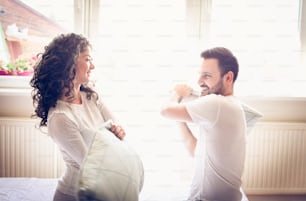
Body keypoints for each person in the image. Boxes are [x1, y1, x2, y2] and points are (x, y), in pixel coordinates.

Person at [30, 33, 126, 201]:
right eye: (87, 59)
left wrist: (118, 130)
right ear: (69, 64)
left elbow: (116, 127)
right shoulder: (61, 117)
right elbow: (91, 167)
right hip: (75, 195)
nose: (93, 66)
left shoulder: (91, 98)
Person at [161, 47, 246, 201]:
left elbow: (165, 110)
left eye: (206, 76)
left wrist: (178, 93)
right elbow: (195, 150)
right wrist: (182, 117)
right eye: (200, 75)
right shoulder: (232, 106)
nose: (200, 82)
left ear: (228, 78)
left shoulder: (217, 103)